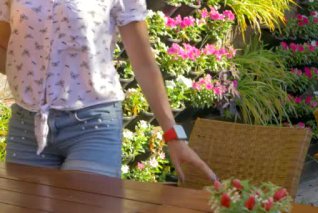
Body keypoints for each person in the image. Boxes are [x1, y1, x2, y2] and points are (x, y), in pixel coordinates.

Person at [0, 0, 216, 182]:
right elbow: (6, 49)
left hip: (92, 126)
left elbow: (143, 62)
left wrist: (174, 135)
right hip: (27, 124)